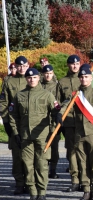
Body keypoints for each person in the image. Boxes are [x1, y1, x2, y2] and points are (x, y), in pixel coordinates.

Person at [58, 65, 93, 200]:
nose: (83, 79)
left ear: (91, 78)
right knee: (82, 163)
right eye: (81, 77)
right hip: (79, 134)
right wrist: (59, 113)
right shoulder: (75, 95)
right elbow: (65, 105)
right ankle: (86, 190)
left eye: (86, 77)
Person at [9, 68, 59, 200]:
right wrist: (15, 132)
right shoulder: (19, 96)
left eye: (35, 77)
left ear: (39, 78)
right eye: (29, 78)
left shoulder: (47, 95)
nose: (32, 80)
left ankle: (42, 192)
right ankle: (33, 191)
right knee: (27, 164)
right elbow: (13, 116)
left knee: (41, 165)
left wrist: (52, 131)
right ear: (26, 79)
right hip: (25, 137)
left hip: (42, 136)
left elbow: (55, 114)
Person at [0, 56, 29, 195]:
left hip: (30, 125)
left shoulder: (33, 78)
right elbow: (4, 103)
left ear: (28, 66)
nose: (22, 68)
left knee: (30, 157)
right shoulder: (8, 82)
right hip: (14, 124)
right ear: (15, 67)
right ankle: (19, 183)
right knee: (17, 157)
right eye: (19, 66)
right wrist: (6, 123)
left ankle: (30, 183)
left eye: (25, 66)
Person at [56, 54, 82, 192]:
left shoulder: (84, 79)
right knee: (72, 152)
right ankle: (75, 181)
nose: (75, 65)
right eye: (72, 64)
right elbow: (58, 103)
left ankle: (85, 180)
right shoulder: (62, 82)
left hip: (83, 122)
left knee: (83, 152)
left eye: (77, 63)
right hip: (69, 123)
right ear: (68, 65)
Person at [41, 65, 61, 179]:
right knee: (42, 146)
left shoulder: (57, 86)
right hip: (42, 123)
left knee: (54, 147)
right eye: (46, 73)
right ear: (43, 74)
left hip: (54, 122)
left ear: (53, 73)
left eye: (50, 73)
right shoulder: (39, 86)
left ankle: (53, 169)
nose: (48, 75)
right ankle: (43, 168)